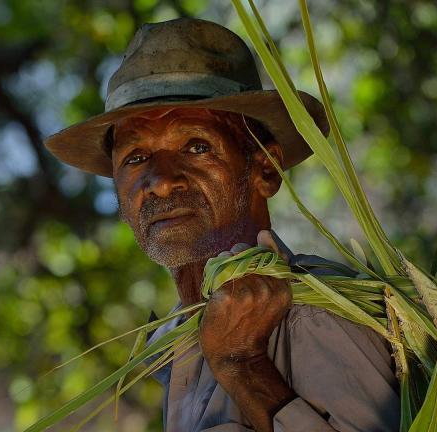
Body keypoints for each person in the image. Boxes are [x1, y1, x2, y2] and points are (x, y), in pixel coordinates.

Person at [43, 17, 399, 432]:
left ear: (265, 169)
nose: (160, 182)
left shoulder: (310, 317)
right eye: (136, 158)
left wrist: (242, 364)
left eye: (196, 147)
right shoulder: (177, 341)